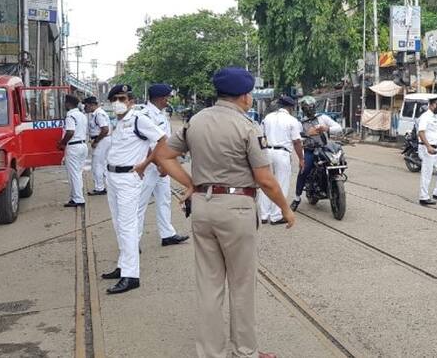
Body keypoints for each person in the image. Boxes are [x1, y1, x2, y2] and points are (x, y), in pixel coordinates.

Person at [151, 66, 294, 358]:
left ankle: (211, 353)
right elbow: (265, 179)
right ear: (244, 96)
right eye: (251, 93)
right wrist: (285, 209)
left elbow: (163, 155)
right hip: (237, 209)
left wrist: (192, 183)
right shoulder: (246, 127)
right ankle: (245, 352)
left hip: (203, 208)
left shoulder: (195, 122)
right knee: (242, 285)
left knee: (208, 284)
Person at [101, 84, 166, 295]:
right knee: (118, 223)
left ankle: (131, 275)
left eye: (122, 98)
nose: (118, 103)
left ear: (131, 101)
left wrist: (146, 163)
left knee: (128, 226)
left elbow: (162, 140)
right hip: (112, 177)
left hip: (129, 178)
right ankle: (123, 265)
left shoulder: (139, 119)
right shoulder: (119, 123)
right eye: (114, 99)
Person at [136, 84, 189, 247]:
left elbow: (167, 141)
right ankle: (133, 241)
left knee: (164, 199)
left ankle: (167, 234)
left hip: (162, 165)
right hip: (149, 166)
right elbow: (147, 143)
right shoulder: (145, 115)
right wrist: (160, 163)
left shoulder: (161, 114)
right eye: (167, 97)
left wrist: (166, 163)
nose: (169, 100)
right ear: (159, 97)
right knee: (140, 204)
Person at [257, 95, 304, 225]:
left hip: (267, 152)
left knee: (266, 183)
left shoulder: (268, 118)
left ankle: (263, 215)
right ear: (291, 107)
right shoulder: (292, 120)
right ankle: (276, 216)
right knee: (281, 184)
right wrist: (301, 158)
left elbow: (261, 136)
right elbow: (296, 142)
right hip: (282, 154)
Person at [290, 96, 342, 211]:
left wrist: (326, 128)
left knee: (339, 161)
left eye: (311, 107)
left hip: (325, 149)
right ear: (303, 109)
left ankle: (332, 185)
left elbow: (338, 127)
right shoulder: (300, 123)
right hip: (310, 150)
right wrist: (307, 133)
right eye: (307, 108)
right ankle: (297, 198)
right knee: (304, 170)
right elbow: (296, 138)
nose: (309, 110)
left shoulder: (323, 117)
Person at [416, 96, 437, 206]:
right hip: (427, 148)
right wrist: (428, 147)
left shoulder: (435, 117)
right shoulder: (425, 117)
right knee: (427, 173)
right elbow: (421, 132)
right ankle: (423, 197)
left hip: (436, 148)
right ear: (430, 104)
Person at [58, 95, 88, 207]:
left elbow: (70, 132)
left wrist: (62, 143)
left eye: (65, 103)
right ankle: (76, 196)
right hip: (82, 145)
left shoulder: (70, 116)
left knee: (73, 174)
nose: (64, 105)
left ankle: (78, 199)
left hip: (74, 147)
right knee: (78, 173)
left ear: (68, 103)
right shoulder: (82, 115)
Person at [83, 96, 111, 196]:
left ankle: (100, 188)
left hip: (102, 140)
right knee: (103, 164)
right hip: (104, 140)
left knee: (97, 165)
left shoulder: (98, 114)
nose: (85, 108)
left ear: (91, 104)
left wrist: (96, 141)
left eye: (86, 105)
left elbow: (105, 129)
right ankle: (105, 186)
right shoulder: (95, 114)